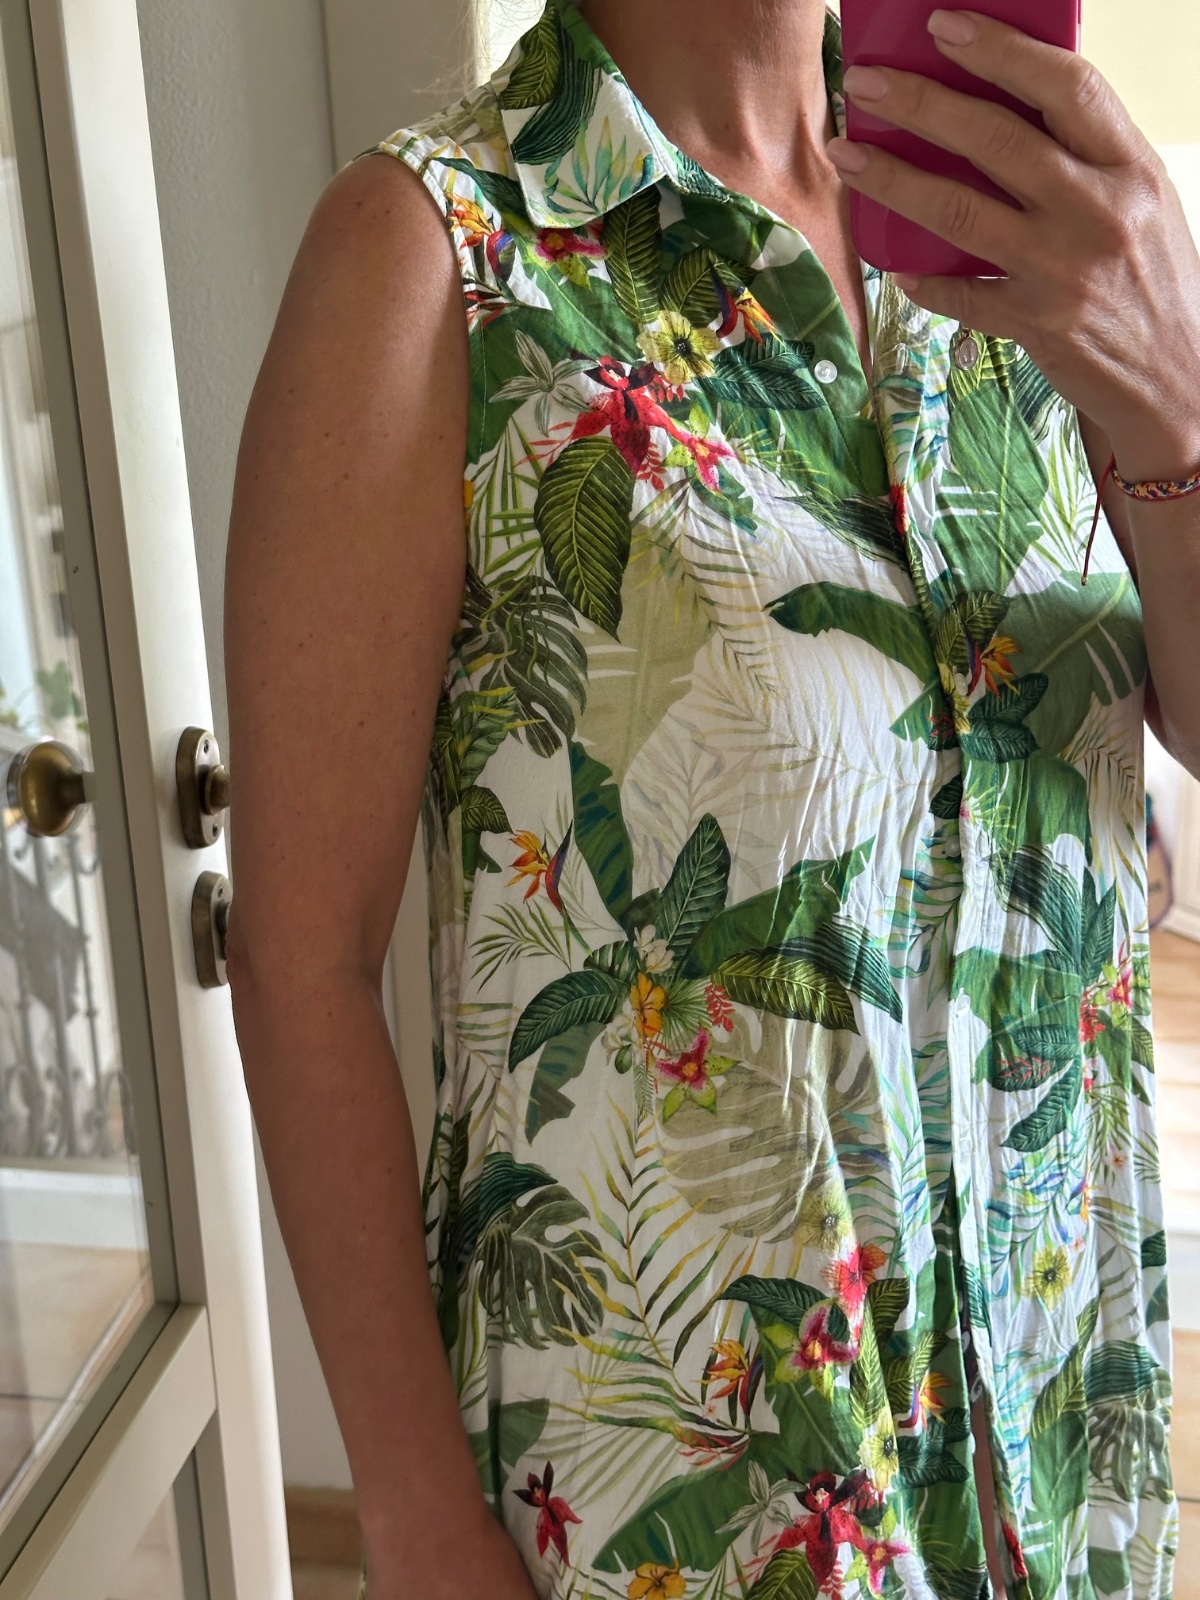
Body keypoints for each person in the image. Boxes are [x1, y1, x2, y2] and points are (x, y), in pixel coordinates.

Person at [222, 3, 1200, 1597]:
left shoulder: (1030, 208)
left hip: (1058, 1434)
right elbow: (302, 957)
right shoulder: (438, 259)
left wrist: (1175, 410)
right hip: (696, 1492)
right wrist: (413, 1523)